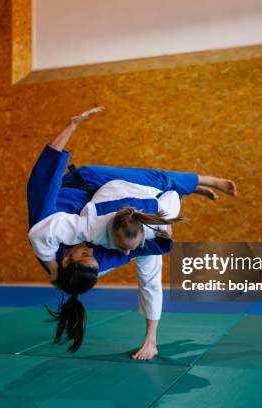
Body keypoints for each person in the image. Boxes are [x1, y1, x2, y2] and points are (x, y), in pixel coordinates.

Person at [26, 107, 236, 359]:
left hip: (84, 183)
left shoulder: (49, 233)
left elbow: (43, 179)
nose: (90, 249)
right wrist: (151, 340)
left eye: (84, 253)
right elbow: (150, 279)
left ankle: (206, 180)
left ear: (66, 260)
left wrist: (71, 125)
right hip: (118, 205)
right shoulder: (106, 259)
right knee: (158, 198)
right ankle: (179, 193)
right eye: (91, 255)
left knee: (156, 179)